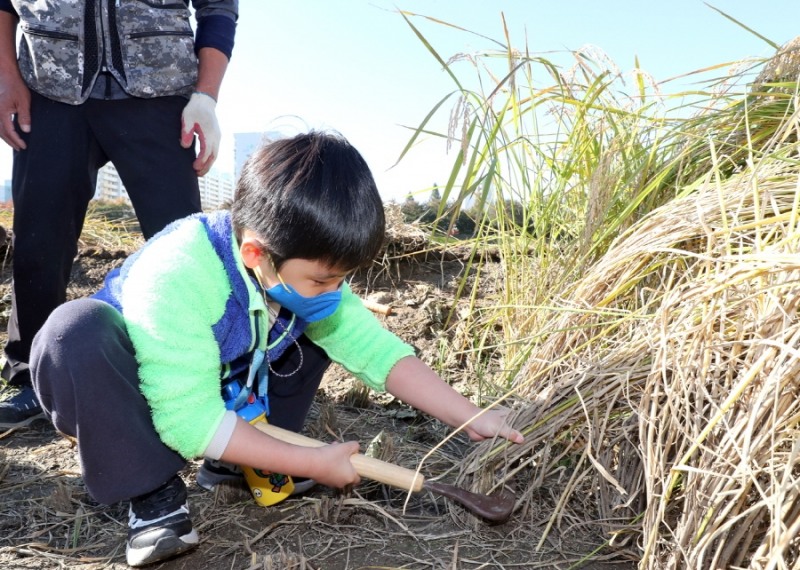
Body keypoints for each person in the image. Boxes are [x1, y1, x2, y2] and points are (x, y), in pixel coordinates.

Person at [29, 131, 525, 567]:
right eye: (324, 278)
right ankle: (152, 493)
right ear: (255, 254)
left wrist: (470, 416)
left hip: (221, 379)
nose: (336, 290)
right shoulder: (178, 273)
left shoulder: (296, 268)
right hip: (141, 388)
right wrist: (311, 462)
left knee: (326, 325)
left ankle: (240, 461)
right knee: (75, 332)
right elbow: (186, 420)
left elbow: (375, 350)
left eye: (343, 278)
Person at [0, 0, 239, 428]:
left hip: (159, 90)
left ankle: (207, 377)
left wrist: (206, 95)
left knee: (184, 247)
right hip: (49, 86)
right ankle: (34, 382)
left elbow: (218, 6)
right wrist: (4, 75)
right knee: (39, 241)